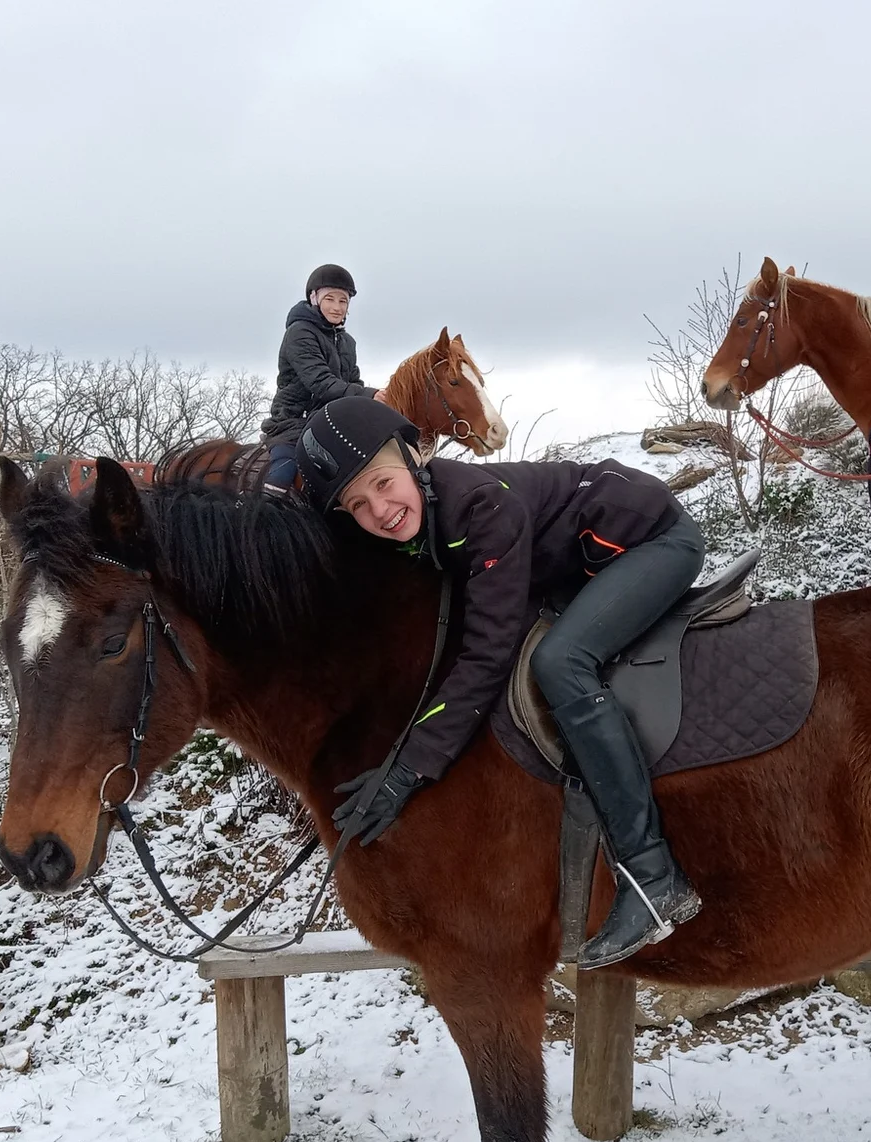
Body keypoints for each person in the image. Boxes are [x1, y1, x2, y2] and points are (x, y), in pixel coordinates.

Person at [295, 395, 706, 969]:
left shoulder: (480, 508)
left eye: (384, 484)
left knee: (560, 662)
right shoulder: (419, 515)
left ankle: (650, 876)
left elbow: (486, 655)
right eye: (358, 504)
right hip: (574, 561)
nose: (380, 510)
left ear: (415, 456)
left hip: (651, 541)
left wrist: (406, 772)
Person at [261, 264, 374, 489]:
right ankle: (266, 506)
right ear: (314, 298)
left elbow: (353, 383)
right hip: (295, 421)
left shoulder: (347, 342)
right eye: (330, 299)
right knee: (283, 474)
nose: (336, 307)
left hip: (332, 421)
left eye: (343, 301)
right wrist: (372, 394)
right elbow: (321, 383)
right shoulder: (299, 333)